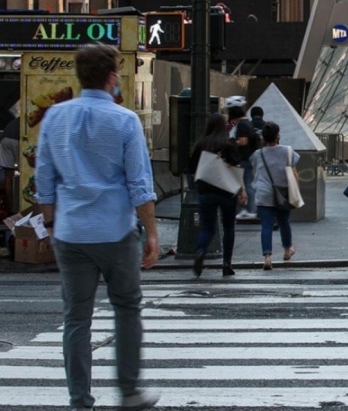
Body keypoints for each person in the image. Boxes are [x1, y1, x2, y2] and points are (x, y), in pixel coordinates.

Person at [34, 42, 160, 410]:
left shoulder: (56, 117)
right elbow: (140, 184)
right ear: (110, 78)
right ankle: (129, 390)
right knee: (126, 308)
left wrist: (51, 224)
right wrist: (151, 232)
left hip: (71, 232)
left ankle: (80, 400)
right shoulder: (124, 120)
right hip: (115, 231)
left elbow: (44, 178)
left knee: (76, 318)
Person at [187, 113, 247, 277]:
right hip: (226, 191)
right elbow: (237, 167)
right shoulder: (228, 143)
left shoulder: (201, 144)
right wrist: (242, 190)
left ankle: (201, 251)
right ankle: (227, 264)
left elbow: (192, 170)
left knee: (207, 227)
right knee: (228, 227)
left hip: (206, 191)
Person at [251, 122, 300, 271]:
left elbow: (255, 172)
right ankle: (287, 250)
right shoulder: (288, 151)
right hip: (283, 192)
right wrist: (296, 190)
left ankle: (267, 257)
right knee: (284, 221)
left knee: (266, 225)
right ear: (278, 135)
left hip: (264, 193)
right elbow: (294, 173)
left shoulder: (257, 154)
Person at [225, 96, 258, 220]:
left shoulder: (242, 125)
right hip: (248, 158)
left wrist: (232, 142)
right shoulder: (247, 123)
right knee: (247, 183)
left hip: (245, 159)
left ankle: (250, 209)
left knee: (247, 184)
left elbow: (243, 141)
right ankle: (247, 209)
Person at [1, 113, 19, 212]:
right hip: (16, 140)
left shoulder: (16, 121)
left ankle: (10, 207)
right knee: (24, 172)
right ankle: (20, 205)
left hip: (4, 140)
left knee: (8, 176)